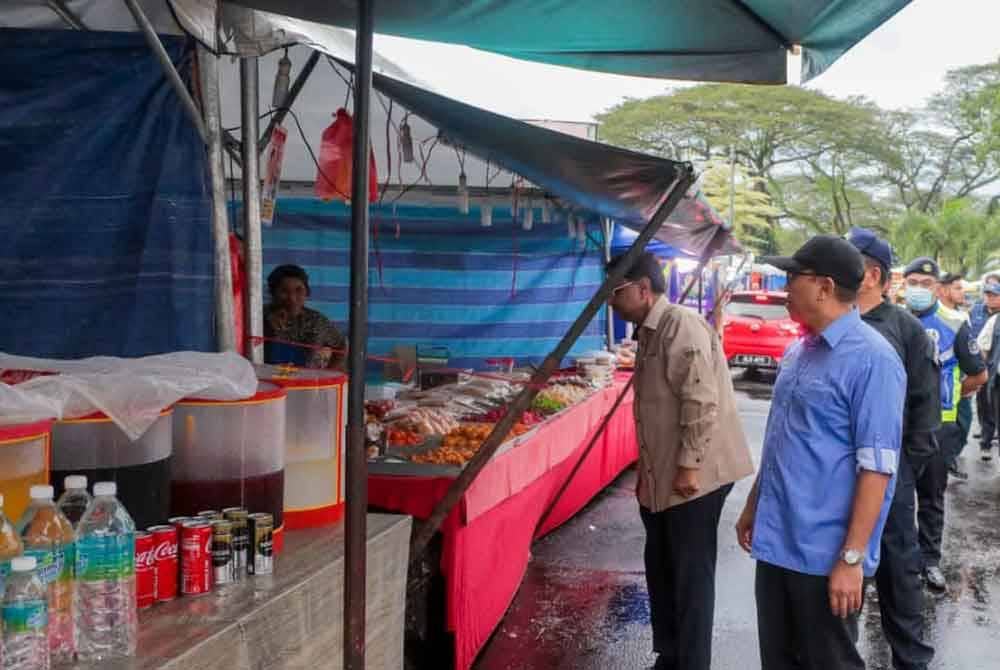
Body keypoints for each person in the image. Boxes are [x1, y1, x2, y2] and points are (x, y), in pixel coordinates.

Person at [735, 235, 905, 670]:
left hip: (824, 555)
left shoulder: (874, 360)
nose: (785, 287)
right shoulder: (798, 352)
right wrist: (755, 504)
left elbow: (877, 469)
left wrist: (851, 559)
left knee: (829, 662)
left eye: (793, 278)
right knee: (779, 660)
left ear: (824, 287)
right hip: (777, 544)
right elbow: (782, 440)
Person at [607, 251, 754, 670]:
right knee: (663, 567)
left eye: (614, 292)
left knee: (690, 576)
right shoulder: (649, 330)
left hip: (695, 475)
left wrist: (688, 466)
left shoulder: (679, 325)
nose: (610, 302)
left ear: (642, 288)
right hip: (665, 474)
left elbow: (700, 401)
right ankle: (670, 654)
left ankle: (691, 662)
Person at [848, 229, 939, 670]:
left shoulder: (906, 330)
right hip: (838, 479)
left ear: (871, 274)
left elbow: (925, 418)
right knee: (841, 580)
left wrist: (899, 477)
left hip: (890, 479)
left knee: (899, 579)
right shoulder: (835, 321)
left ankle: (911, 661)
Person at [902, 257, 987, 590]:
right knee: (892, 496)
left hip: (938, 427)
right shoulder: (889, 318)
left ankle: (929, 561)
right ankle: (892, 560)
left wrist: (950, 397)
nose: (919, 290)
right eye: (913, 283)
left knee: (931, 497)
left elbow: (978, 374)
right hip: (894, 424)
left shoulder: (953, 322)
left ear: (937, 287)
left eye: (926, 284)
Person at [264, 264, 346, 369]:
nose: (292, 298)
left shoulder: (316, 321)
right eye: (284, 291)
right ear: (273, 293)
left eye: (299, 290)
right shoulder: (260, 317)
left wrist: (328, 373)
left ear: (307, 292)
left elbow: (341, 345)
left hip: (305, 383)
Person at [937, 273, 974, 461]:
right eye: (957, 288)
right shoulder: (934, 315)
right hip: (941, 388)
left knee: (964, 424)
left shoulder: (963, 316)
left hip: (961, 383)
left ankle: (950, 458)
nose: (962, 292)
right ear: (943, 290)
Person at [971, 275, 1000, 460]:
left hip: (991, 368)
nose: (990, 298)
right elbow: (980, 344)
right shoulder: (978, 311)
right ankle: (986, 439)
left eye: (994, 295)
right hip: (987, 369)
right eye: (987, 294)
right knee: (985, 405)